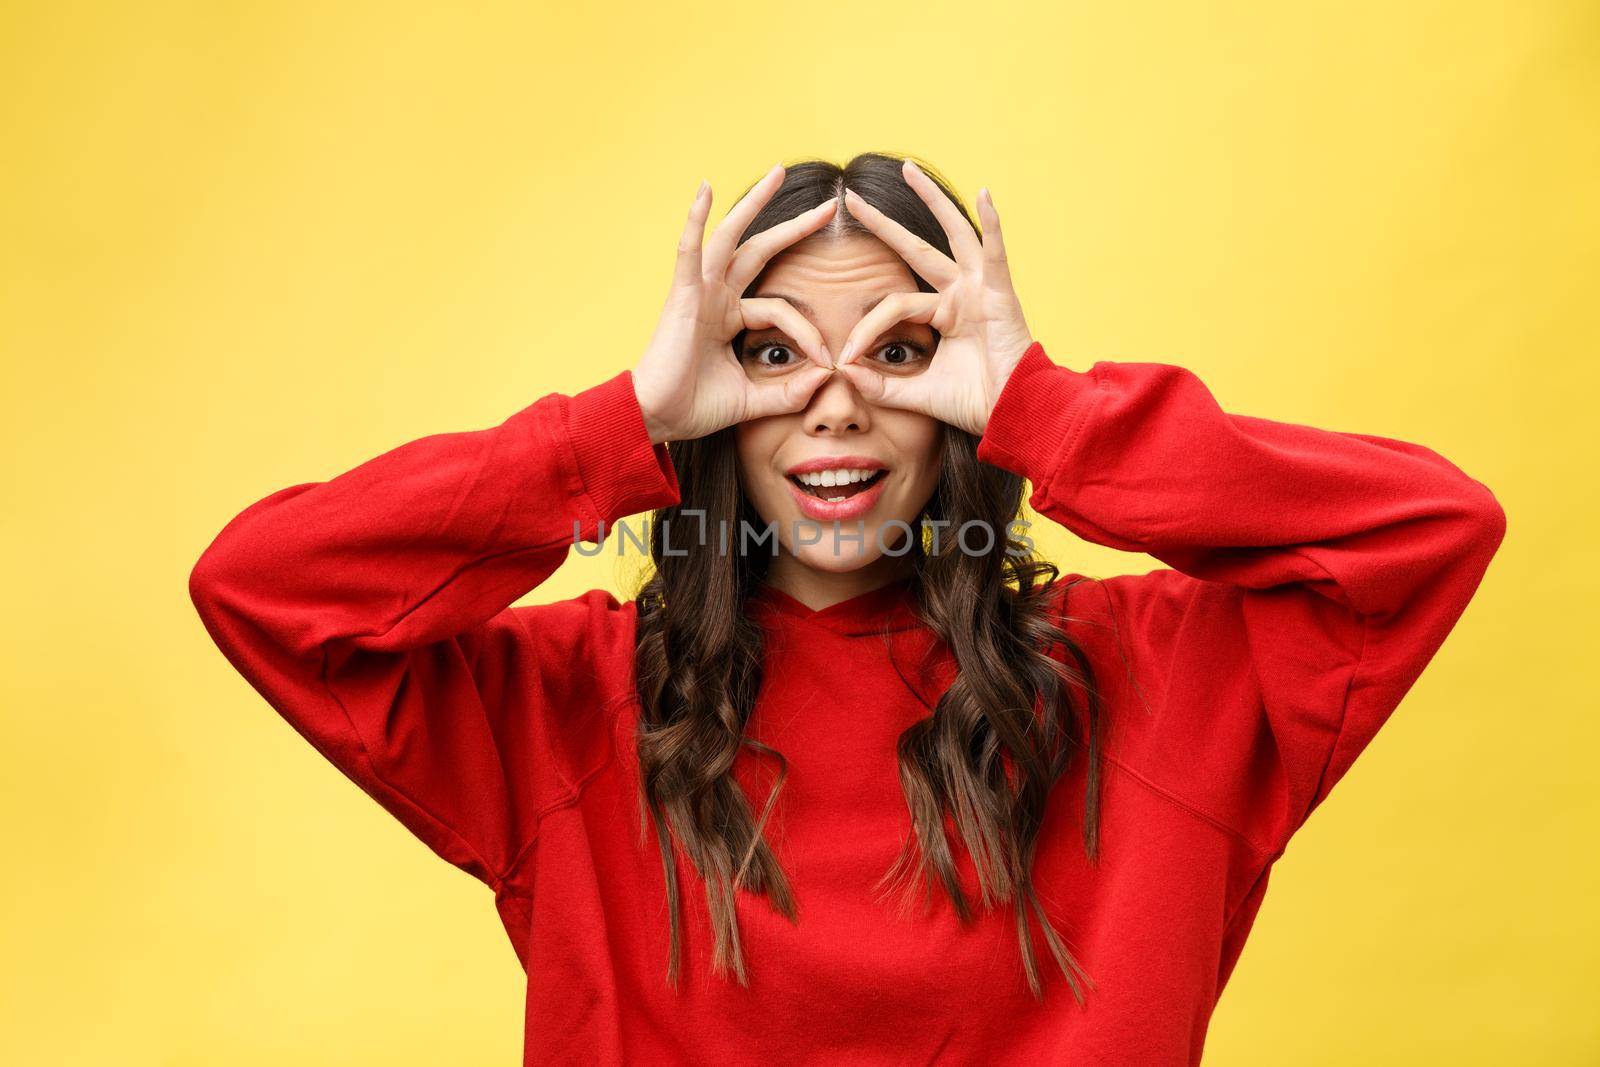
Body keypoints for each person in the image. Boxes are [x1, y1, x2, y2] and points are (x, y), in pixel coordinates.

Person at [187, 152, 1506, 1065]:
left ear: (964, 398)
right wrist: (616, 426)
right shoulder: (567, 703)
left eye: (901, 350)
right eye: (767, 352)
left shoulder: (1151, 682)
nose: (834, 402)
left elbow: (1427, 531)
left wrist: (1050, 408)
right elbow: (265, 586)